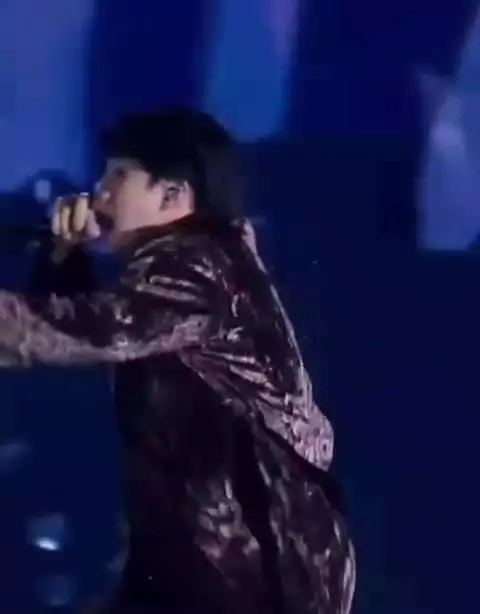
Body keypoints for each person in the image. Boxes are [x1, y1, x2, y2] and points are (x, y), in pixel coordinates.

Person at [0, 107, 355, 613]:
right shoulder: (196, 266)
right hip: (196, 554)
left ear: (173, 195)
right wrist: (63, 255)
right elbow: (100, 332)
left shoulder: (203, 264)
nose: (99, 193)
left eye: (119, 176)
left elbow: (97, 329)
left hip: (246, 561)